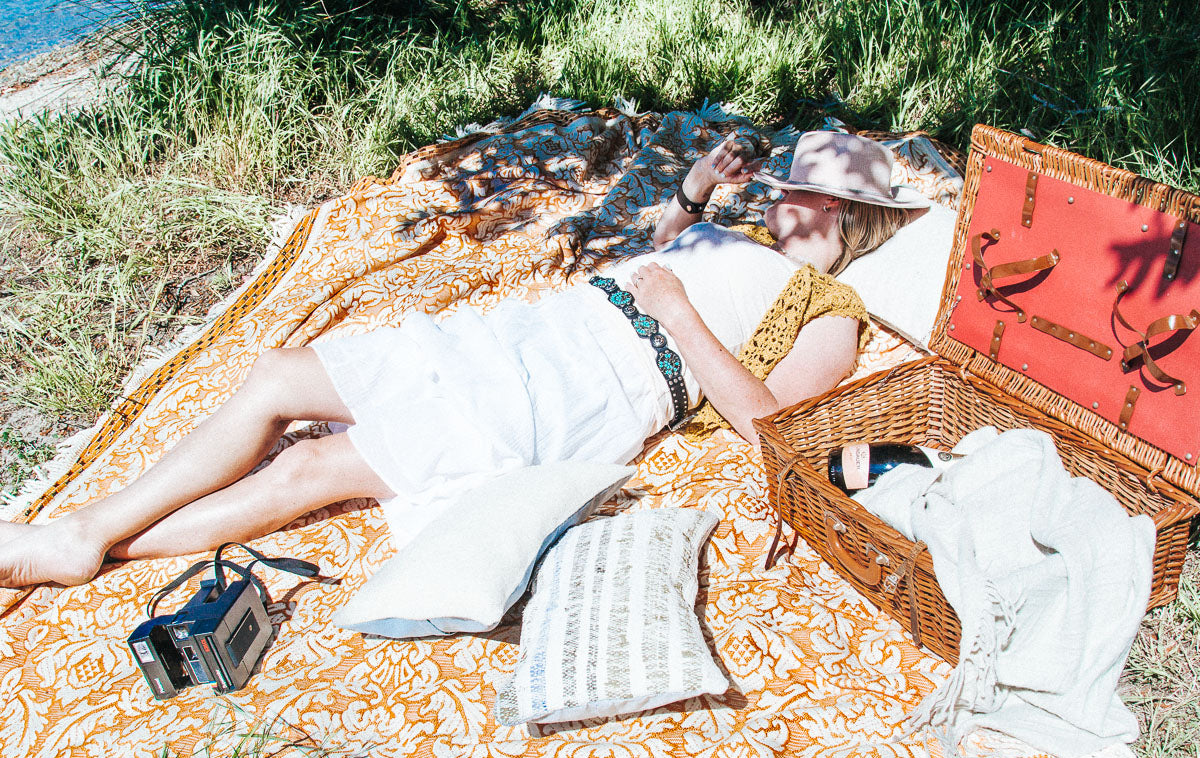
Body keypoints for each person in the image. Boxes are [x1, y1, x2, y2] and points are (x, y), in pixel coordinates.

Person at [0, 131, 927, 588]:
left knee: (313, 469)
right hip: (542, 331)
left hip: (596, 382)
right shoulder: (742, 235)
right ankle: (89, 531)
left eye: (792, 191)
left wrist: (682, 316)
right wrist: (695, 190)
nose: (774, 198)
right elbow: (665, 245)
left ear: (837, 213)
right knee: (279, 373)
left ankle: (88, 544)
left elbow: (772, 426)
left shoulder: (831, 310)